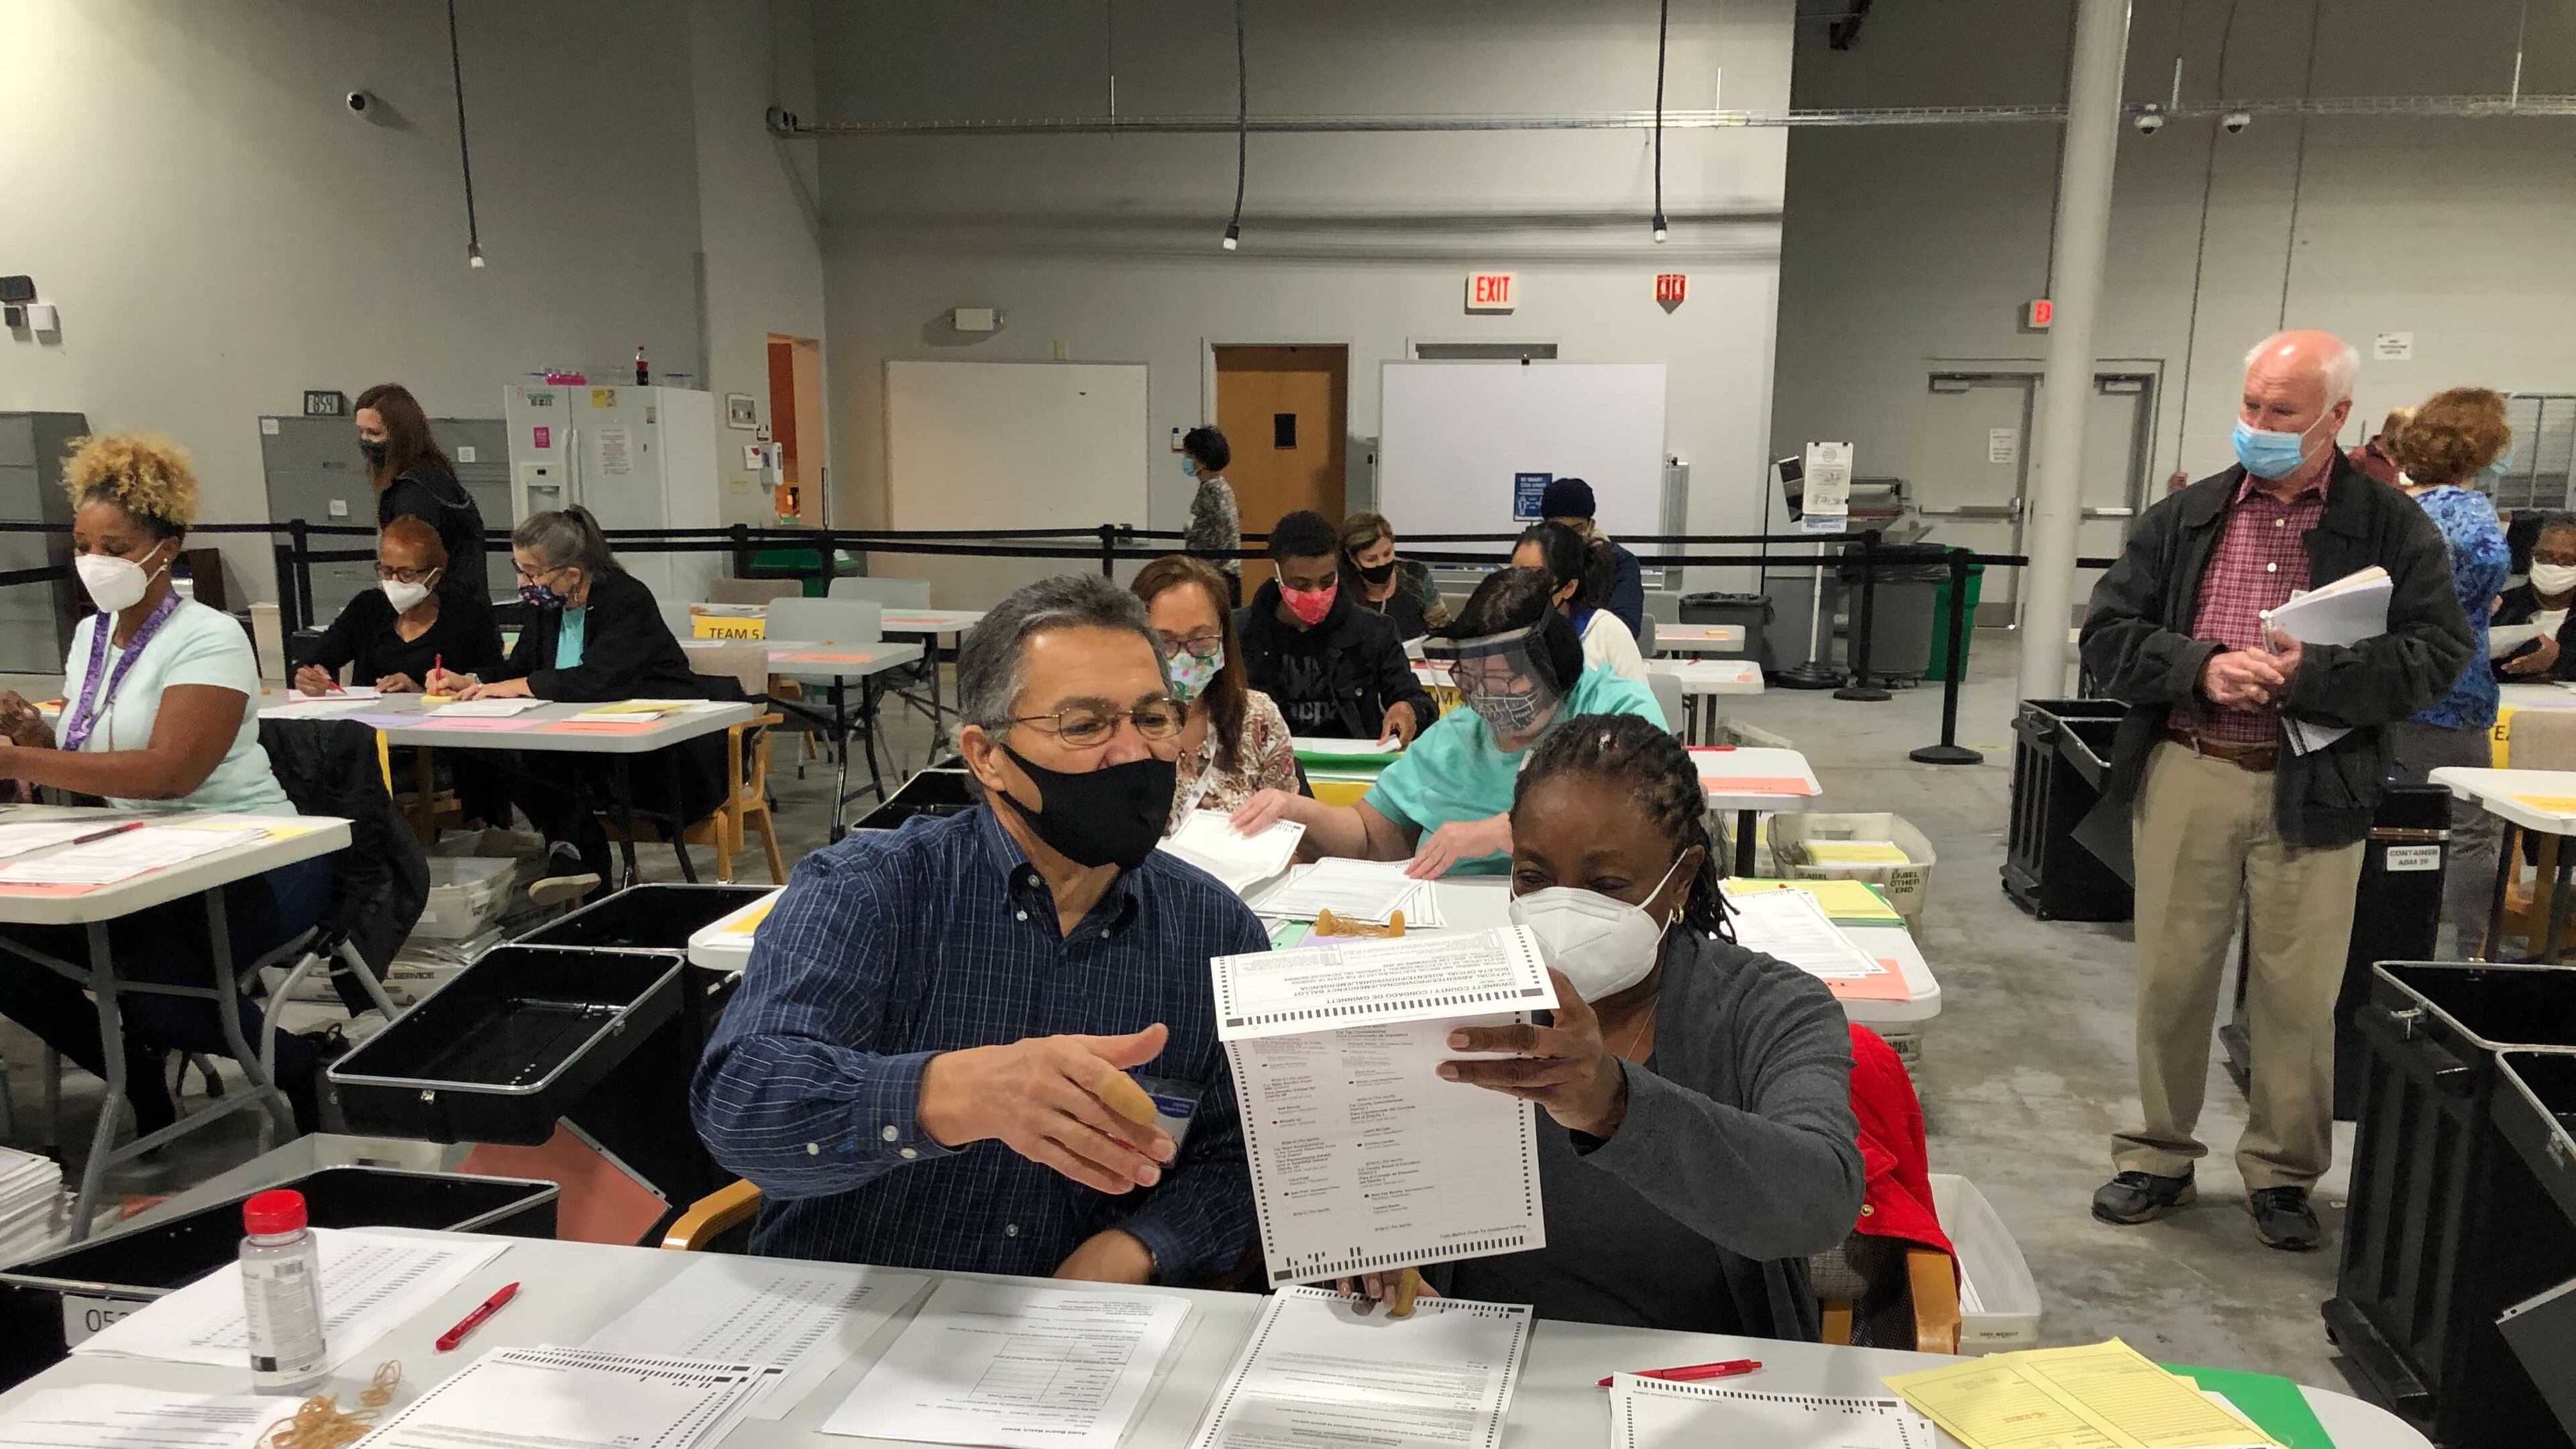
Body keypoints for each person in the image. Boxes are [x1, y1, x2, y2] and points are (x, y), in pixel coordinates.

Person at [692, 574, 1267, 1281]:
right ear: (986, 756)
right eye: (1085, 725)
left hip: (1073, 1334)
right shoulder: (872, 892)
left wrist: (1140, 1248)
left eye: (1152, 718)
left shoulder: (1215, 931)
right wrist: (955, 1095)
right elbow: (743, 1102)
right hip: (852, 1312)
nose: (1131, 753)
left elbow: (1241, 1158)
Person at [2078, 330, 2471, 1251]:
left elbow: (2438, 655)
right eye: (2251, 404)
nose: (2258, 424)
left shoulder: (2391, 527)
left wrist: (2314, 676)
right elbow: (2108, 635)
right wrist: (2201, 667)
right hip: (2192, 767)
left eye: (2282, 412)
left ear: (2338, 417)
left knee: (2298, 993)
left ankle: (2284, 1175)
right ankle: (2157, 1156)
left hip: (2315, 786)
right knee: (2172, 978)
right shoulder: (2187, 517)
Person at [1337, 714, 1860, 1335]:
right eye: (1532, 878)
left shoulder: (1769, 1009)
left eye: (1606, 885)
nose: (1562, 909)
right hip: (1483, 1371)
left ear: (1681, 879)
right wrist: (1370, 1242)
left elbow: (1819, 1203)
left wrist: (1615, 1106)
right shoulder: (1455, 1003)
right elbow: (1373, 1194)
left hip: (1700, 1383)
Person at [0, 434, 340, 1134]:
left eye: (116, 548)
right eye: (83, 544)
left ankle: (304, 1068)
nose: (94, 563)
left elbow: (169, 771)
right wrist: (31, 734)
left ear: (168, 547)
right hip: (139, 851)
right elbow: (90, 752)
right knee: (11, 949)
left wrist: (19, 764)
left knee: (170, 997)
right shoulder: (93, 637)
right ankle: (133, 1073)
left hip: (259, 852)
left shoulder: (209, 636)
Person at [1232, 567, 1665, 878]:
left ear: (1553, 664)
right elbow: (1368, 837)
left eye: (1506, 679)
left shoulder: (1613, 710)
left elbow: (1651, 812)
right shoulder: (1458, 738)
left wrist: (1505, 831)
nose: (1488, 697)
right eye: (1474, 679)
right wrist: (1293, 810)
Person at [424, 508, 720, 894]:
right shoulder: (547, 605)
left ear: (573, 574)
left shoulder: (627, 600)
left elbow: (598, 682)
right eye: (520, 568)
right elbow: (520, 669)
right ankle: (575, 850)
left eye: (532, 572)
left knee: (540, 759)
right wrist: (473, 681)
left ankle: (575, 854)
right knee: (492, 749)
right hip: (572, 745)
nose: (523, 581)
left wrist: (519, 684)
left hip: (655, 750)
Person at [2383, 389, 2512, 952]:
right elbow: (2474, 588)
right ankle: (2460, 957)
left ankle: (2389, 940)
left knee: (2393, 820)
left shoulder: (2399, 509)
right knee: (2467, 829)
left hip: (2393, 681)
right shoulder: (2473, 517)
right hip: (2455, 691)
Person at [1233, 510, 1435, 744]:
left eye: (1327, 581)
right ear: (1277, 571)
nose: (1316, 594)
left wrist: (1407, 710)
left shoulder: (1374, 631)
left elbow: (1417, 699)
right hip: (1267, 763)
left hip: (1353, 766)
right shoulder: (1239, 633)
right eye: (1301, 584)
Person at [1132, 555, 1299, 829]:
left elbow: (1289, 835)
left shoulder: (1257, 717)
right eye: (1165, 642)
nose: (1183, 657)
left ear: (1223, 637)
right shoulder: (1115, 729)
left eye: (1200, 640)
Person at [294, 517, 503, 694]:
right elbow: (316, 659)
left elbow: (492, 682)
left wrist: (417, 692)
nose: (394, 581)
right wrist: (310, 677)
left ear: (434, 576)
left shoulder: (468, 617)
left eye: (406, 574)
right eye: (386, 571)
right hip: (369, 729)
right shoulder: (368, 607)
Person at [357, 384, 488, 602]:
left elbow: (410, 569)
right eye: (361, 431)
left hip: (441, 611)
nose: (365, 440)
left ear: (400, 434)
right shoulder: (435, 474)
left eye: (374, 433)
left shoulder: (413, 493)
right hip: (461, 606)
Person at [1513, 521, 1649, 684]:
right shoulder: (1502, 630)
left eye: (1535, 578)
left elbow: (1638, 705)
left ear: (1569, 587)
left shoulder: (1605, 633)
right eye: (1512, 574)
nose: (1520, 586)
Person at [1538, 477, 1646, 637]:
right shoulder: (1535, 559)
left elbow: (1625, 629)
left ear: (1590, 525)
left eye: (1576, 529)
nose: (1568, 537)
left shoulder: (1620, 562)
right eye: (1559, 528)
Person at [1339, 511, 1450, 641]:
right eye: (1371, 559)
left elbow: (1443, 630)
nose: (1382, 563)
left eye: (1387, 554)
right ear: (1353, 559)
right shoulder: (1340, 587)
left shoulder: (1415, 575)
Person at [2494, 512, 2576, 681]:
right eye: (2544, 557)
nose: (2553, 566)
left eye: (2567, 560)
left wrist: (2558, 660)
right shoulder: (2501, 606)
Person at [1181, 426, 1242, 605]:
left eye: (1189, 456)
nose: (1186, 460)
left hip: (1217, 574)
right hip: (1213, 571)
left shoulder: (1214, 491)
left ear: (1201, 461)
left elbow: (1222, 531)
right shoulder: (1211, 488)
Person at [2347, 406, 2414, 488]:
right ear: (2389, 430)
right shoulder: (2360, 457)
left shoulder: (2407, 462)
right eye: (2405, 433)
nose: (2408, 439)